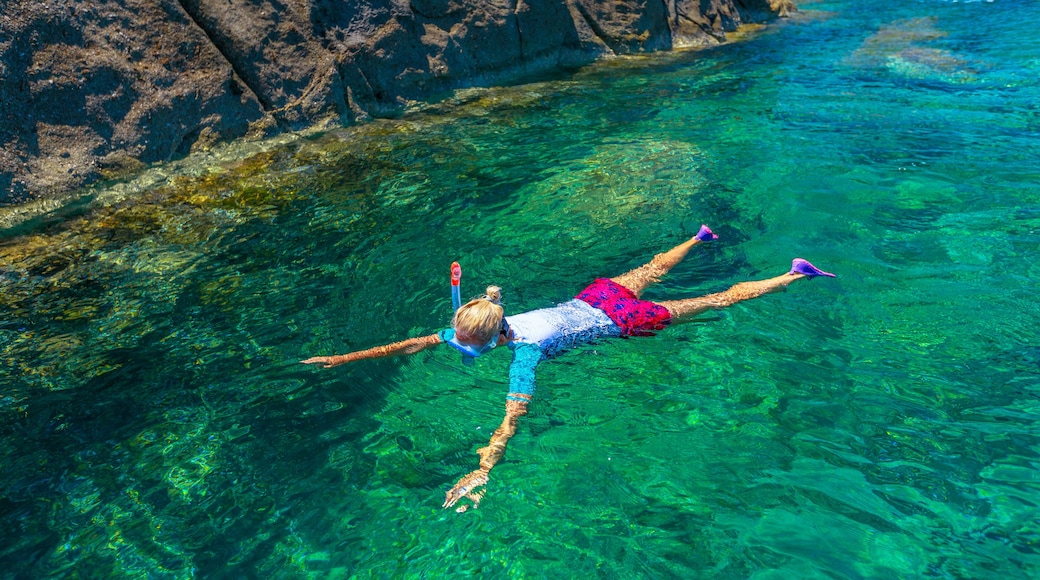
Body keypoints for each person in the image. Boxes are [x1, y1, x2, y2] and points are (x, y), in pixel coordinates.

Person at [301, 225, 836, 512]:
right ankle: (699, 237)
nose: (457, 346)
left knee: (716, 301)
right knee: (649, 269)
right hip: (596, 296)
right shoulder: (495, 318)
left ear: (483, 338)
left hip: (627, 321)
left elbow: (511, 419)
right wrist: (345, 359)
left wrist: (483, 470)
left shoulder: (525, 356)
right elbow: (414, 342)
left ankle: (794, 276)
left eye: (463, 345)